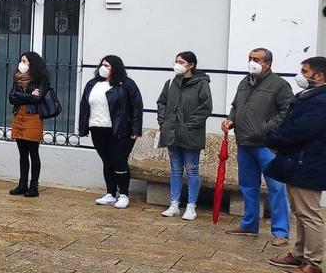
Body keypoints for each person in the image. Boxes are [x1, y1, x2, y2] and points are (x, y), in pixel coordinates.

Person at [223, 47, 293, 244]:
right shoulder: (244, 82)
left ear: (268, 63)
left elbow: (287, 111)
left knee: (276, 188)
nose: (252, 62)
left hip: (267, 146)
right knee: (247, 186)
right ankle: (249, 224)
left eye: (257, 59)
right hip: (244, 143)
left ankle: (281, 232)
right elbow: (236, 107)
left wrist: (266, 129)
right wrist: (230, 120)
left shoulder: (279, 84)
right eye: (250, 58)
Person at [266, 56, 326, 273]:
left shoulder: (321, 101)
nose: (301, 75)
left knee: (309, 214)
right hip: (297, 162)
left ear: (319, 76)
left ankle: (314, 262)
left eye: (305, 71)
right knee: (300, 212)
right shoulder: (308, 96)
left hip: (308, 163)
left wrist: (274, 141)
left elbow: (300, 129)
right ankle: (300, 253)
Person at [79, 55, 144, 209]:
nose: (103, 67)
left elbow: (136, 107)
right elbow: (84, 106)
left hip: (120, 130)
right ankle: (110, 193)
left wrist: (135, 129)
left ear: (115, 67)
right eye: (102, 64)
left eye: (107, 65)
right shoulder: (92, 84)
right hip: (97, 128)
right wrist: (83, 127)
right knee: (107, 161)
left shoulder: (126, 84)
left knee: (118, 161)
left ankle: (123, 194)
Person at [156, 51, 213, 220]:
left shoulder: (201, 84)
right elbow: (162, 102)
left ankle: (191, 206)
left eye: (181, 61)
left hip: (191, 134)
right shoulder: (171, 82)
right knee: (175, 170)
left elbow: (205, 107)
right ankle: (174, 204)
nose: (177, 64)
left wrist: (189, 125)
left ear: (191, 65)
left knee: (192, 170)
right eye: (176, 61)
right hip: (171, 133)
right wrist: (163, 121)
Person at [8, 52, 48, 197]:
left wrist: (23, 96)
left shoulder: (41, 79)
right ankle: (22, 184)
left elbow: (38, 99)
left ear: (32, 63)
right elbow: (11, 97)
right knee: (22, 154)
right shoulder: (17, 78)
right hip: (19, 115)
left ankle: (34, 186)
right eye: (21, 61)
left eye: (24, 61)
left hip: (33, 117)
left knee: (33, 152)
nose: (21, 63)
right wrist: (29, 95)